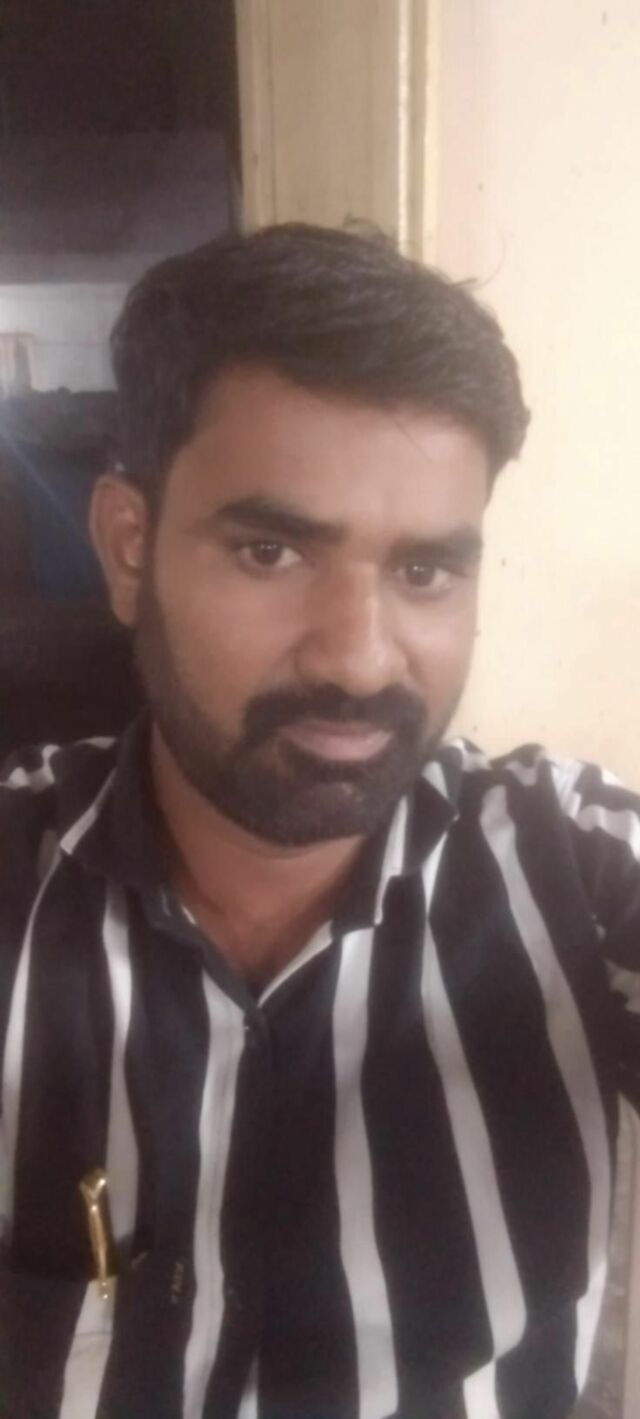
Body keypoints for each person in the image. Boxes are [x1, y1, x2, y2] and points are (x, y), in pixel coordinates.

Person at [0, 223, 635, 1419]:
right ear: (129, 549)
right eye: (271, 549)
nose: (358, 659)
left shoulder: (581, 873)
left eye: (424, 572)